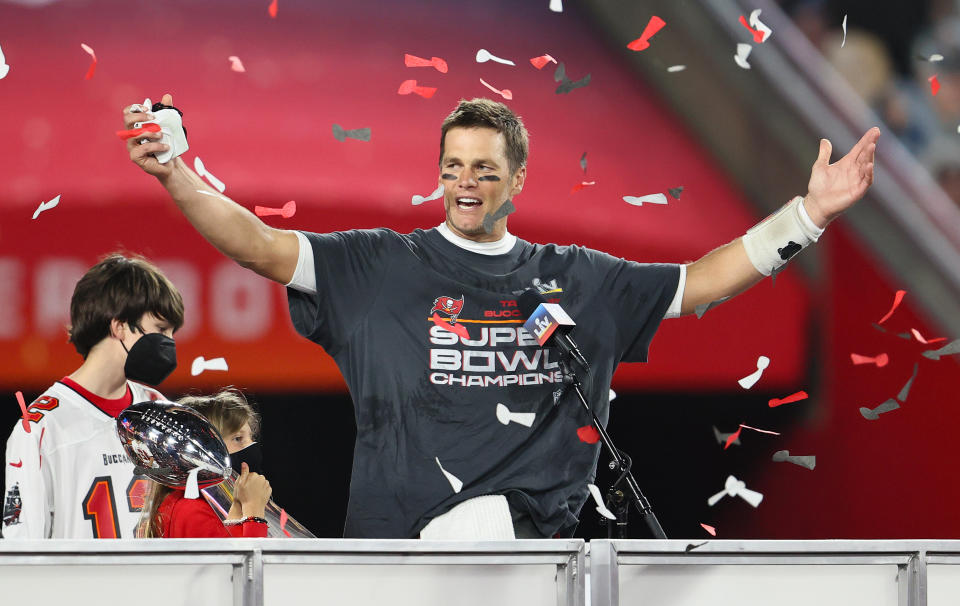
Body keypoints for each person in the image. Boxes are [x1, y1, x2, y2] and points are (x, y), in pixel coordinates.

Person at [123, 95, 879, 539]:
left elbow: (702, 281)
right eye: (453, 167)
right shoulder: (378, 266)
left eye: (485, 168)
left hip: (523, 566)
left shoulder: (577, 280)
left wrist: (808, 215)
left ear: (518, 177)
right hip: (394, 569)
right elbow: (255, 245)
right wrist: (176, 175)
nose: (467, 183)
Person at [2, 254, 184, 538]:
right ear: (119, 326)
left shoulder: (159, 410)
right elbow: (24, 553)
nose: (170, 343)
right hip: (79, 583)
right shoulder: (41, 428)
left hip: (158, 582)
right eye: (161, 330)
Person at [137, 389, 272, 538]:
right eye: (238, 439)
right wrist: (254, 512)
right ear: (202, 451)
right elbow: (245, 560)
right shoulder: (192, 510)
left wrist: (239, 506)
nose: (251, 446)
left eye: (250, 437)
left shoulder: (202, 505)